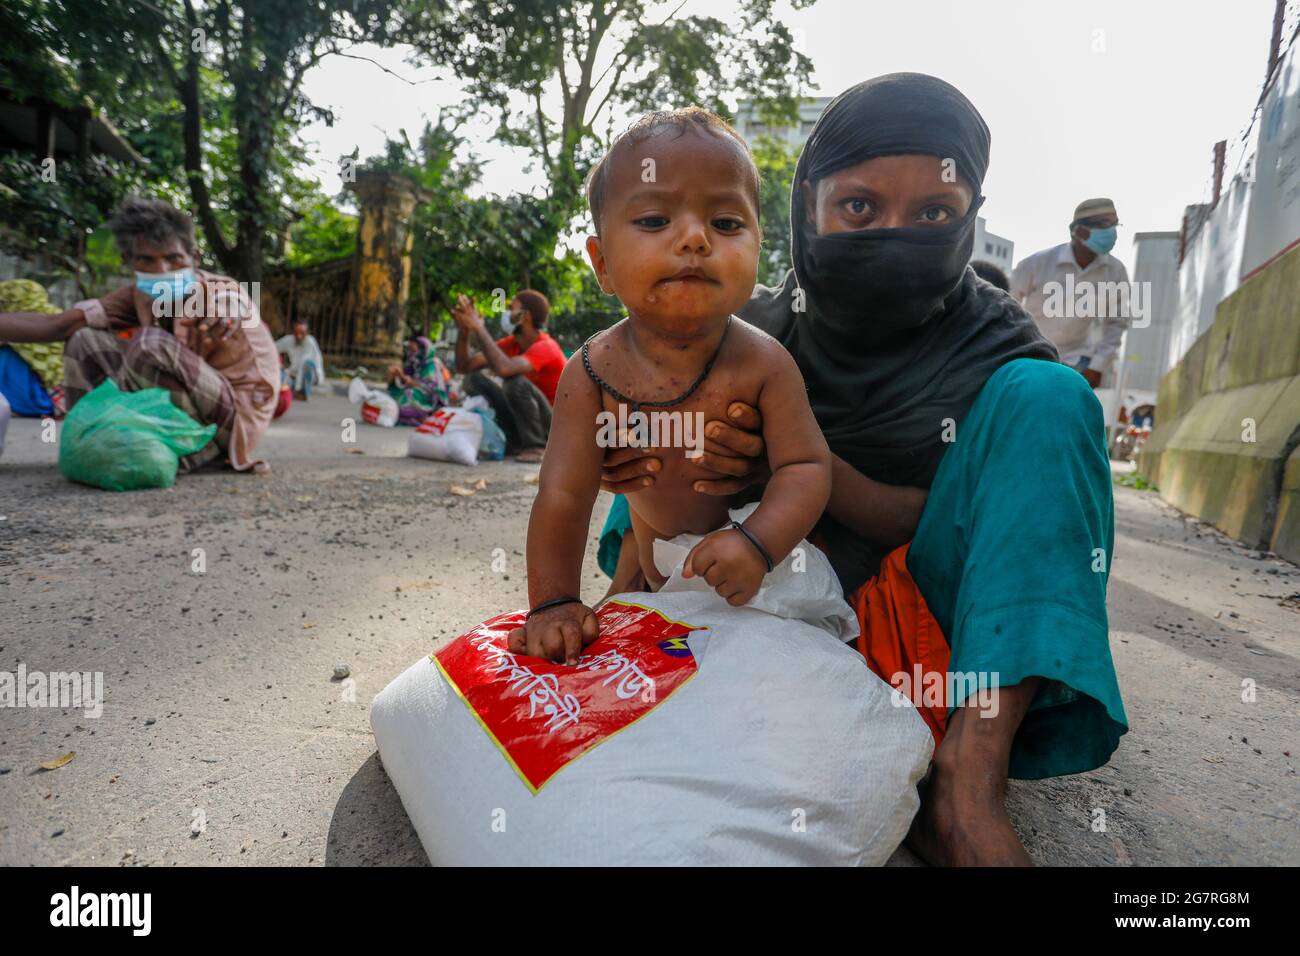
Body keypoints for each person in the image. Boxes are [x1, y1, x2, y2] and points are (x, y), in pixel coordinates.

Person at [596, 74, 1127, 866]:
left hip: (940, 643)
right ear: (807, 205)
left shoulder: (994, 345)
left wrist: (804, 459)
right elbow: (657, 503)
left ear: (970, 219)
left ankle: (966, 782)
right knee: (679, 370)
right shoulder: (757, 331)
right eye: (859, 208)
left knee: (1054, 397)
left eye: (933, 214)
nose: (893, 234)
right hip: (769, 618)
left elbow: (991, 534)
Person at [509, 107, 831, 664]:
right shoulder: (589, 372)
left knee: (768, 674)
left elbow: (806, 468)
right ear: (602, 263)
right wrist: (553, 602)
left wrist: (757, 541)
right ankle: (628, 578)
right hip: (660, 568)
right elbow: (563, 495)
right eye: (656, 221)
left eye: (726, 224)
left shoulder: (765, 362)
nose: (693, 239)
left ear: (758, 248)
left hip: (755, 575)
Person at [0, 197, 280, 473]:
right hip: (185, 402)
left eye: (173, 259)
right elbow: (59, 325)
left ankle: (188, 449)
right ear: (128, 261)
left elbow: (231, 306)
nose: (162, 271)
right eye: (147, 260)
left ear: (193, 258)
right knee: (84, 339)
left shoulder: (220, 291)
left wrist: (222, 318)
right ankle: (89, 440)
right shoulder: (133, 295)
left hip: (233, 419)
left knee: (149, 344)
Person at [1010, 198, 1131, 389]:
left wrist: (1098, 366)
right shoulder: (1037, 264)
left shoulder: (1115, 272)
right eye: (1104, 225)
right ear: (1078, 231)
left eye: (1114, 224)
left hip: (1078, 359)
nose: (1112, 232)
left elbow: (1116, 323)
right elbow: (1007, 303)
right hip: (1029, 350)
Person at [451, 288, 564, 462]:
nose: (506, 313)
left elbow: (505, 368)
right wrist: (465, 330)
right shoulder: (512, 344)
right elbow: (464, 366)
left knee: (515, 383)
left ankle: (537, 447)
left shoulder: (547, 346)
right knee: (474, 379)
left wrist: (479, 328)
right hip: (526, 420)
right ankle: (516, 443)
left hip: (555, 427)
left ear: (525, 316)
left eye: (512, 308)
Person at [385, 335, 449, 425]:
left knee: (409, 394)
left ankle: (422, 416)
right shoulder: (414, 363)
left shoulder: (431, 364)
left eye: (413, 349)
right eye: (410, 349)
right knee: (394, 395)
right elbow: (404, 380)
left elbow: (429, 387)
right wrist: (393, 376)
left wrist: (404, 377)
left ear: (423, 350)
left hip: (430, 399)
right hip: (416, 391)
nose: (411, 352)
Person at [275, 319, 324, 401]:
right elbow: (272, 348)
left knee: (308, 365)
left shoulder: (310, 342)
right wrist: (278, 363)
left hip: (310, 375)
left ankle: (304, 393)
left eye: (302, 333)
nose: (299, 336)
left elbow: (302, 364)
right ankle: (293, 391)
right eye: (296, 333)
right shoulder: (289, 340)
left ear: (307, 333)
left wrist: (298, 389)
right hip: (294, 375)